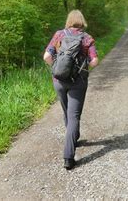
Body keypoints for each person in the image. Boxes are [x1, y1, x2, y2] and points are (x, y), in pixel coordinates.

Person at [43, 10, 98, 170]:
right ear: (82, 21)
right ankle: (68, 157)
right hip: (78, 82)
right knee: (74, 116)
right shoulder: (87, 38)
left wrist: (56, 68)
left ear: (68, 21)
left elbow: (46, 56)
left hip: (58, 80)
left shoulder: (59, 35)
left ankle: (72, 137)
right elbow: (94, 61)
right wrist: (85, 64)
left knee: (67, 112)